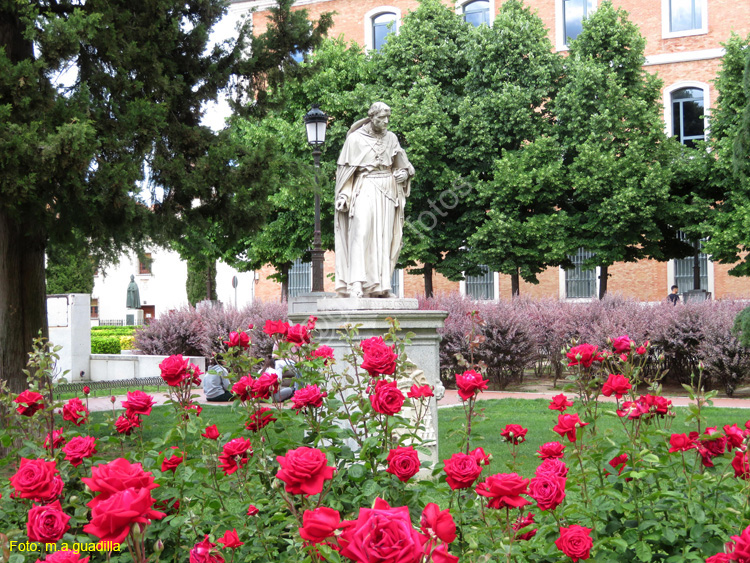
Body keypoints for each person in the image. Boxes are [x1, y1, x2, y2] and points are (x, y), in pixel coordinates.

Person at [334, 102, 415, 298]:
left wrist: (404, 174)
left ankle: (381, 286)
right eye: (381, 119)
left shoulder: (392, 138)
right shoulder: (354, 139)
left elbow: (403, 165)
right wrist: (344, 195)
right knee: (360, 233)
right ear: (371, 118)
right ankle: (356, 283)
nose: (386, 122)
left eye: (388, 118)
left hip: (387, 190)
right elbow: (345, 172)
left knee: (383, 237)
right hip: (365, 185)